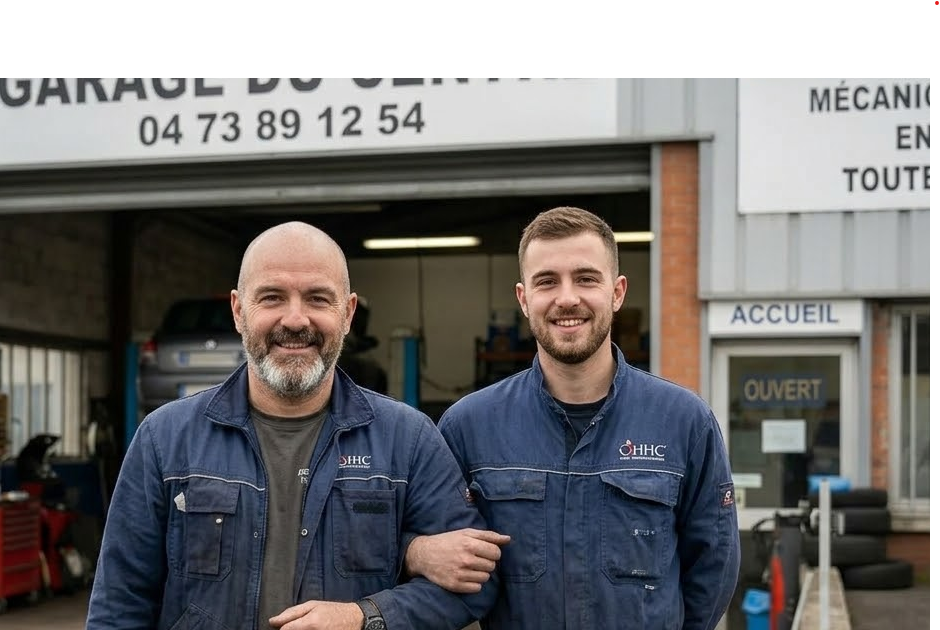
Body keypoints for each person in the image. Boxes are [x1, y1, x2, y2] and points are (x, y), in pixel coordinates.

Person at [86, 221, 499, 630]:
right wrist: (409, 551)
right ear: (238, 310)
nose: (296, 319)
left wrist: (363, 617)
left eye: (318, 298)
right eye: (272, 297)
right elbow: (119, 605)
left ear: (348, 312)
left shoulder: (407, 440)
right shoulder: (165, 439)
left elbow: (476, 585)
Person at [404, 206, 740, 629]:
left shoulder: (685, 421)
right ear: (524, 299)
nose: (567, 298)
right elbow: (427, 549)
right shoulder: (468, 427)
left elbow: (714, 564)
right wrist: (415, 551)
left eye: (585, 278)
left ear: (617, 292)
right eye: (547, 281)